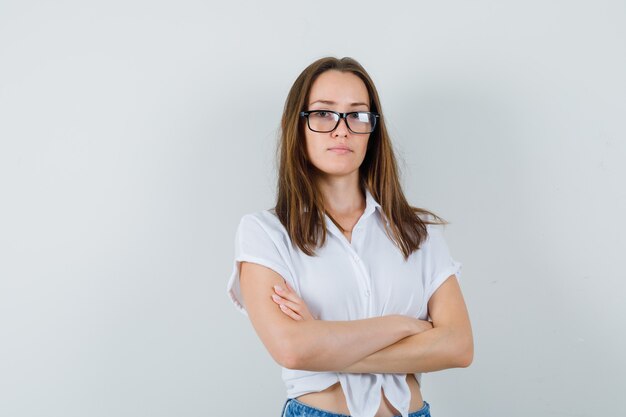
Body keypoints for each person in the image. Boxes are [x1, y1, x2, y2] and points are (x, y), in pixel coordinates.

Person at [226, 56, 473, 417]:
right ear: (298, 126)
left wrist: (325, 343)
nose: (341, 130)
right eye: (324, 113)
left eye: (357, 114)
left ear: (372, 129)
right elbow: (293, 350)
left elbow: (458, 346)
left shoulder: (415, 232)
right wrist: (403, 326)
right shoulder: (265, 233)